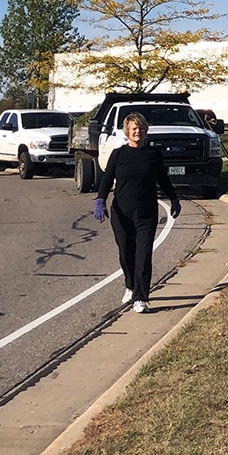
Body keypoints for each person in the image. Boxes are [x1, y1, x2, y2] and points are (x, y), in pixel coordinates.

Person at [93, 112, 182, 314]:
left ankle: (141, 297)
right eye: (134, 129)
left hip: (146, 213)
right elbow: (107, 179)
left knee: (143, 255)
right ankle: (130, 285)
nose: (137, 132)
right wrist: (100, 200)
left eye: (140, 128)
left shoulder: (153, 155)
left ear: (145, 131)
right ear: (127, 131)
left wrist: (174, 198)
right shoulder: (118, 154)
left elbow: (163, 179)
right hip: (121, 213)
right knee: (126, 252)